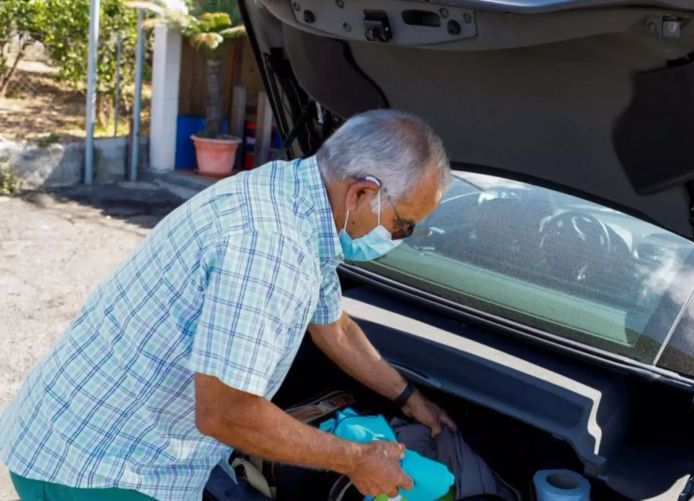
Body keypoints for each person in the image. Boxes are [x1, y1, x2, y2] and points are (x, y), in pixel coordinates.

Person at [0, 110, 456, 500]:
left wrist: (409, 398)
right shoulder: (272, 246)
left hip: (82, 426)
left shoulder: (297, 195)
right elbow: (225, 412)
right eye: (403, 226)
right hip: (97, 465)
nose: (398, 239)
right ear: (361, 193)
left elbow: (331, 325)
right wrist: (355, 459)